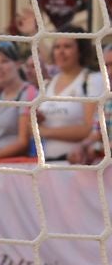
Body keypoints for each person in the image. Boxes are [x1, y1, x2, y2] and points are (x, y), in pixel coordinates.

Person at [37, 25, 102, 162]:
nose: (61, 52)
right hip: (47, 165)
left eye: (67, 46)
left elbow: (91, 129)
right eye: (57, 47)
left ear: (80, 51)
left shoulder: (92, 80)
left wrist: (46, 132)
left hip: (78, 167)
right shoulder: (47, 84)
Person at [0, 42, 36, 164]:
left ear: (17, 64)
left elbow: (23, 142)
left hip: (14, 168)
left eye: (4, 61)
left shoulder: (28, 93)